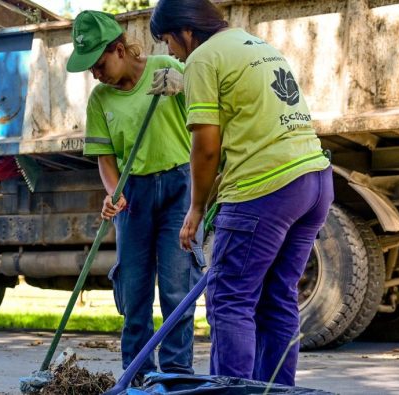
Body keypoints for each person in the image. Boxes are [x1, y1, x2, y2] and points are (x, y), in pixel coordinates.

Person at [150, 0, 334, 386]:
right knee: (278, 296)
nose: (170, 52)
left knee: (230, 298)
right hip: (314, 180)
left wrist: (196, 208)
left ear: (186, 31)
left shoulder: (202, 58)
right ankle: (276, 391)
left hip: (266, 188)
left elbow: (206, 147)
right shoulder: (257, 45)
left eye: (167, 40)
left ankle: (231, 392)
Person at [66, 10, 203, 384]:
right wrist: (115, 194)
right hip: (134, 196)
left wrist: (185, 82)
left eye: (98, 63)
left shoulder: (164, 67)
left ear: (120, 49)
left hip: (179, 188)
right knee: (134, 291)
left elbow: (205, 116)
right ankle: (139, 376)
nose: (95, 73)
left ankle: (176, 377)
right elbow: (106, 161)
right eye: (90, 69)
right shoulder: (100, 100)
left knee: (176, 289)